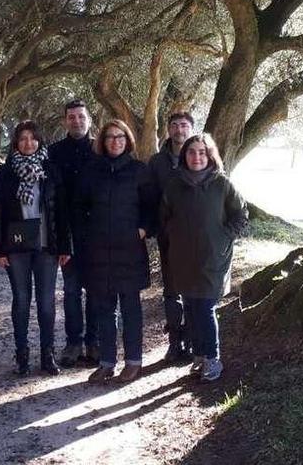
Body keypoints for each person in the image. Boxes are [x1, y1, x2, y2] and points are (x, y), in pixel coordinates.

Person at [160, 133, 248, 382]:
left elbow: (241, 215)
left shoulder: (222, 184)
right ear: (184, 155)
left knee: (206, 308)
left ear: (210, 156)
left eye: (202, 152)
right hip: (183, 258)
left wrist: (224, 236)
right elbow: (164, 217)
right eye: (191, 152)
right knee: (190, 307)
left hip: (214, 259)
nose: (196, 157)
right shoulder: (174, 185)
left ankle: (212, 358)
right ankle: (198, 355)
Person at [74, 120, 154, 384]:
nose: (115, 141)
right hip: (98, 251)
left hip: (129, 249)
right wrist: (87, 236)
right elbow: (79, 207)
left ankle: (133, 363)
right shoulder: (91, 171)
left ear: (127, 140)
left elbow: (152, 207)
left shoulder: (139, 171)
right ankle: (107, 363)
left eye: (120, 137)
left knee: (131, 307)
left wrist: (142, 229)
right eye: (109, 137)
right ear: (103, 141)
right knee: (103, 309)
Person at [0, 120, 71, 376]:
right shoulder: (4, 173)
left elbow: (61, 212)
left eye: (33, 138)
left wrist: (65, 246)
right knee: (21, 301)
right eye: (23, 139)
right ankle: (22, 355)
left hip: (47, 246)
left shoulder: (51, 170)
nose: (28, 143)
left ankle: (48, 355)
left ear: (39, 141)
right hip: (16, 247)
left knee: (46, 302)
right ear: (16, 142)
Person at [48, 99, 99, 367]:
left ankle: (94, 342)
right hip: (67, 232)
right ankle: (73, 343)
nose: (76, 121)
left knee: (94, 290)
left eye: (81, 116)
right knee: (70, 291)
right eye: (71, 117)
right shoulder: (55, 152)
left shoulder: (100, 149)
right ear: (64, 121)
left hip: (96, 234)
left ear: (89, 119)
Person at [148, 112, 195, 363]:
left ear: (191, 129)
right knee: (171, 291)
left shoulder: (200, 156)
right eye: (175, 125)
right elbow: (150, 198)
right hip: (167, 238)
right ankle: (174, 342)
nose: (179, 130)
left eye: (184, 125)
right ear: (168, 129)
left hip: (196, 239)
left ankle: (190, 340)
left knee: (192, 290)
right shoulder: (157, 162)